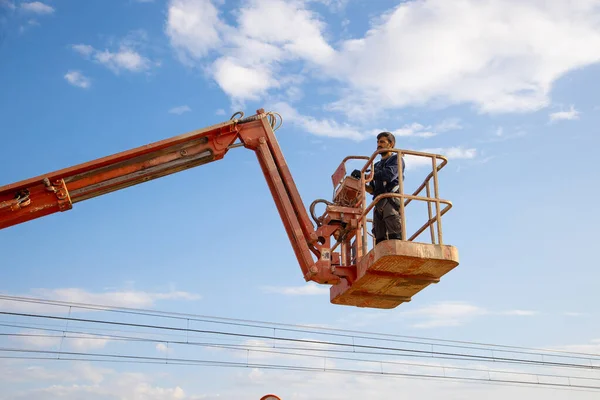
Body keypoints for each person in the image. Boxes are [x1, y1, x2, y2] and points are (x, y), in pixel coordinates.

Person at [365, 131, 405, 244]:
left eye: (382, 142)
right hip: (378, 204)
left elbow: (389, 175)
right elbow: (373, 190)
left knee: (395, 238)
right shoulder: (376, 165)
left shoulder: (396, 159)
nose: (379, 144)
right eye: (378, 142)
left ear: (391, 144)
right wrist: (362, 183)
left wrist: (369, 175)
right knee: (380, 240)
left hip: (390, 201)